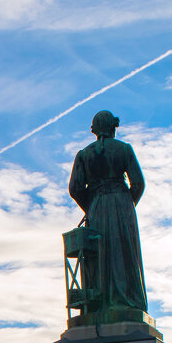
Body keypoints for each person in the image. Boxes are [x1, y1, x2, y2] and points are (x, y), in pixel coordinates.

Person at [68, 109, 148, 314]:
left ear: (94, 129)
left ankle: (98, 303)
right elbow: (138, 183)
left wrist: (92, 205)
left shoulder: (84, 154)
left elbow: (75, 188)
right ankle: (126, 299)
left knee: (97, 254)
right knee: (123, 252)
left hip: (96, 205)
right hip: (122, 204)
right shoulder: (124, 149)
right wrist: (127, 205)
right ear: (113, 128)